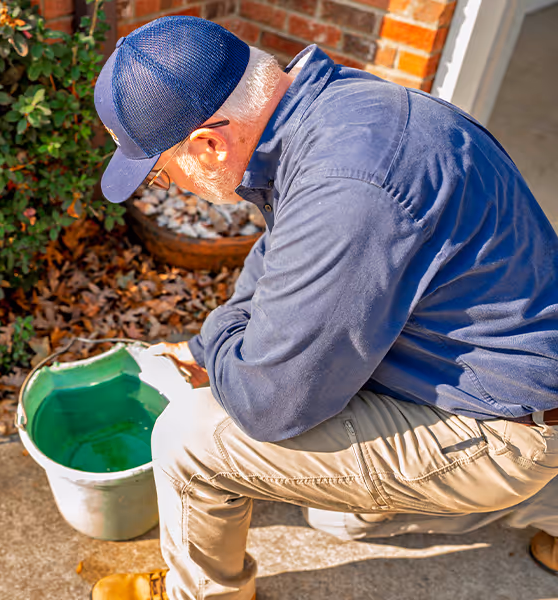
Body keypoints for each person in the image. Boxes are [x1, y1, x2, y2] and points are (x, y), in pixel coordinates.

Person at [90, 15, 558, 600]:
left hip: (505, 426)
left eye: (160, 172)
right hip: (516, 376)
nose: (168, 185)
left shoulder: (348, 188)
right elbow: (284, 249)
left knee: (189, 439)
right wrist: (205, 349)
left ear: (208, 144)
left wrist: (232, 354)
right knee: (335, 519)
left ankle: (204, 594)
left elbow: (268, 405)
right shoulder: (338, 108)